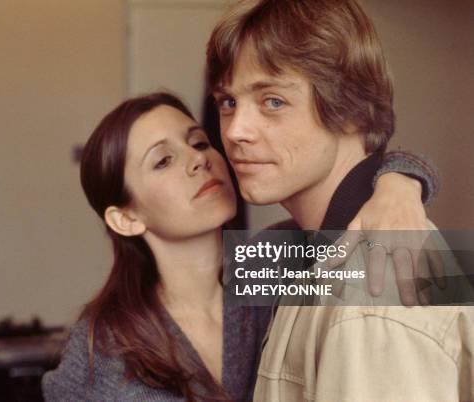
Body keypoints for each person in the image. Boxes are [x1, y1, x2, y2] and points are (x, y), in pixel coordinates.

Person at [41, 90, 440, 400]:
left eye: (198, 142)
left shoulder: (274, 261)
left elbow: (446, 288)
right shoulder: (102, 342)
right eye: (163, 160)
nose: (200, 161)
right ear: (125, 218)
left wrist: (400, 184)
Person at [204, 0, 474, 400]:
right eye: (229, 102)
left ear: (350, 110)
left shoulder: (374, 291)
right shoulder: (302, 252)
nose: (236, 131)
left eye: (272, 101)